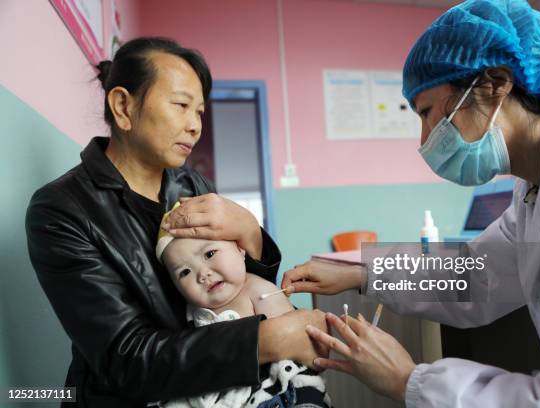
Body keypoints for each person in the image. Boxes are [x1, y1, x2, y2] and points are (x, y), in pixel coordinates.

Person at [281, 0, 540, 407]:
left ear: (495, 84)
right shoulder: (537, 189)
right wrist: (361, 273)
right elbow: (477, 274)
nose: (424, 142)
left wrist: (409, 381)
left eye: (427, 113)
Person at [25, 37, 328, 408]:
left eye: (199, 112)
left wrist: (250, 230)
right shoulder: (62, 210)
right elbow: (125, 360)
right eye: (182, 105)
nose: (195, 125)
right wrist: (267, 340)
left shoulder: (192, 185)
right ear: (123, 106)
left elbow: (237, 286)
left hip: (221, 390)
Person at [156, 202, 330, 408]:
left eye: (210, 254)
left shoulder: (257, 291)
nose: (203, 274)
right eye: (184, 272)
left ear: (240, 249)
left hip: (275, 393)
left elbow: (298, 349)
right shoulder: (191, 311)